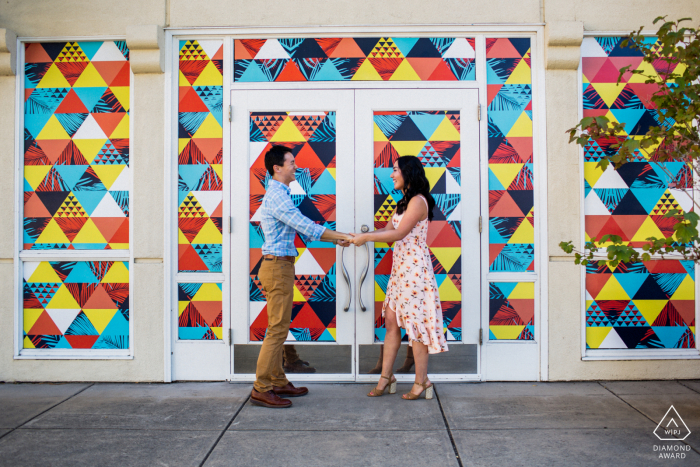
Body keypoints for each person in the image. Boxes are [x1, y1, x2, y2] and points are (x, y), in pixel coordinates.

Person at [251, 145, 352, 409]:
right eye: (292, 162)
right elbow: (305, 226)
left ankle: (277, 379)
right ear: (277, 168)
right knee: (277, 330)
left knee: (279, 327)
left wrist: (337, 238)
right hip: (277, 267)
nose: (297, 166)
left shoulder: (281, 194)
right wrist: (342, 237)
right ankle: (261, 388)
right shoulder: (277, 196)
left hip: (279, 266)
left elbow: (302, 228)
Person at [350, 156, 448, 400]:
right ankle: (386, 377)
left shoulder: (418, 201)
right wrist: (353, 238)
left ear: (408, 172)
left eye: (395, 170)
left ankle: (421, 382)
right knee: (392, 323)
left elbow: (400, 232)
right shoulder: (404, 202)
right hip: (401, 270)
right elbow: (388, 232)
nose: (391, 175)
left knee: (415, 327)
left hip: (415, 271)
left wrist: (366, 238)